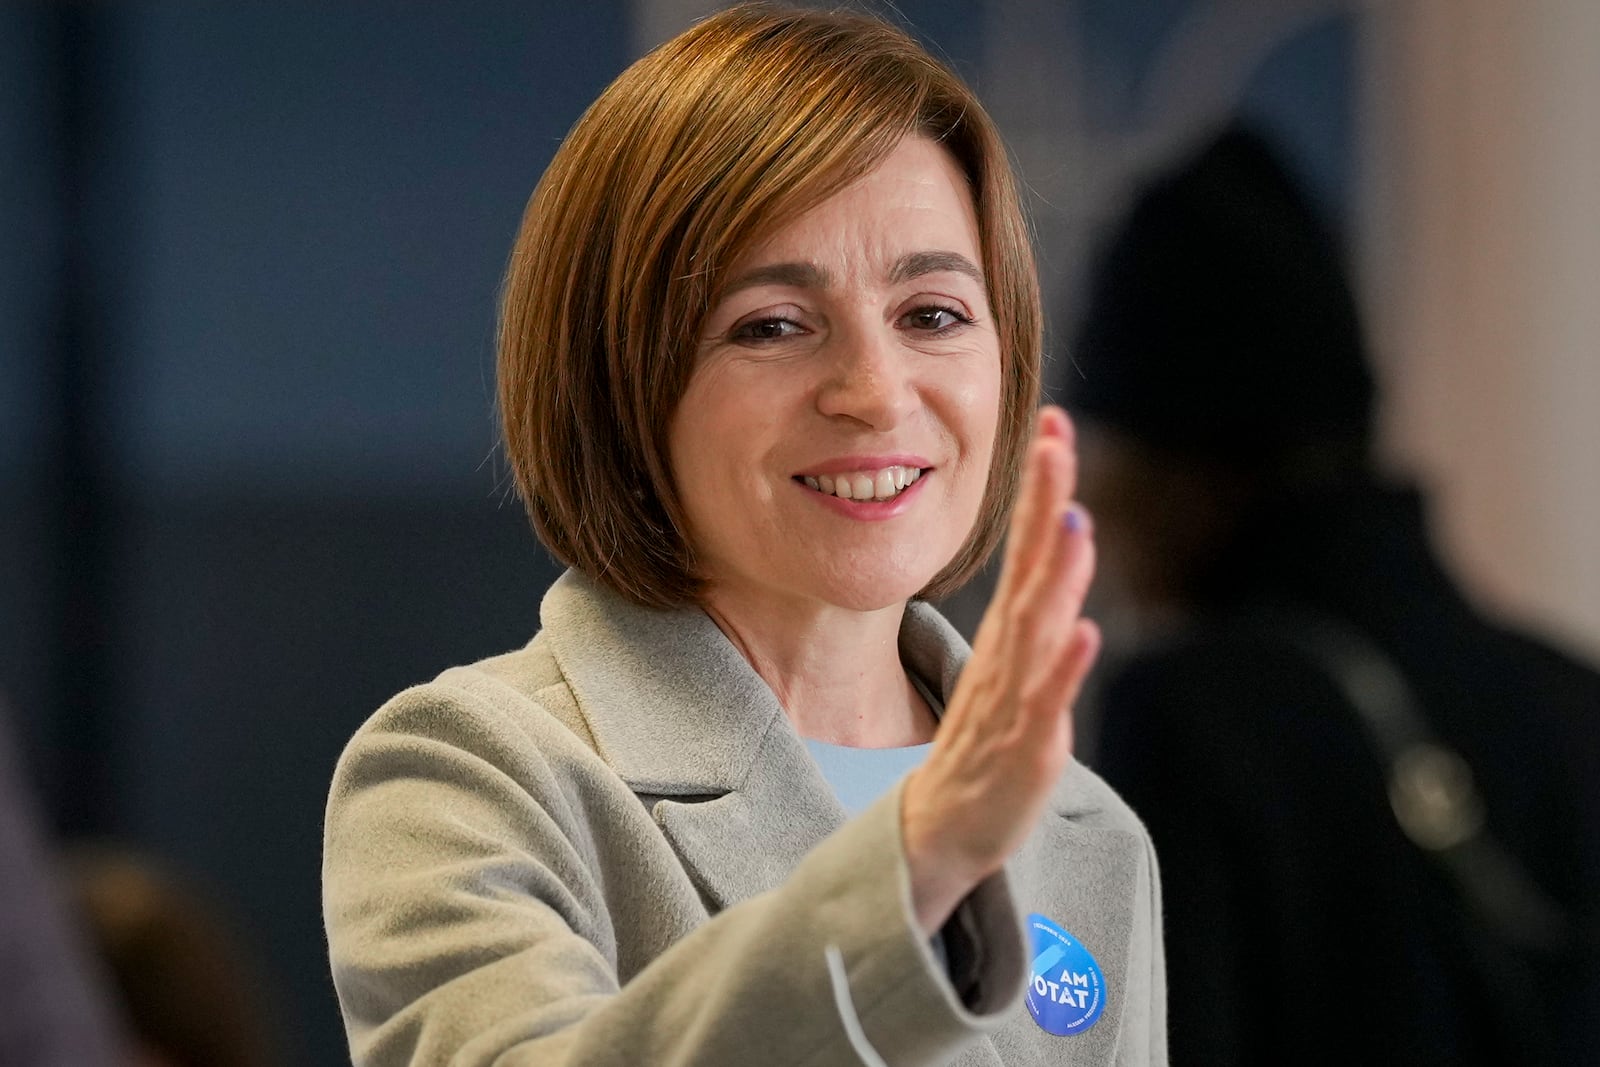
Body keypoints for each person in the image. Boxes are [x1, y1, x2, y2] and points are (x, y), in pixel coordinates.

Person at [322, 5, 1167, 1066]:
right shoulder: (473, 772)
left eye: (933, 314)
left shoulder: (1088, 835)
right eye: (771, 325)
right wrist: (912, 872)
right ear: (621, 381)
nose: (873, 390)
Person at [1072, 125, 1600, 1065]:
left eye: (1097, 440)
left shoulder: (1193, 718)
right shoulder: (1571, 700)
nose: (1086, 494)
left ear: (1173, 463)